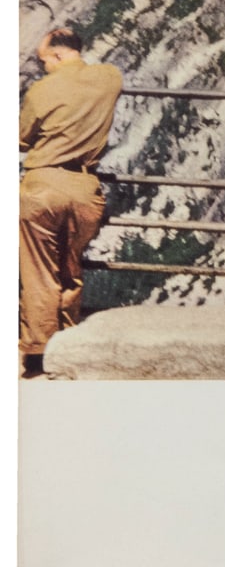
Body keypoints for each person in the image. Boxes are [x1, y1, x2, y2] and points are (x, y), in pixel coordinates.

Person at [19, 25, 124, 375]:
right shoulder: (110, 78)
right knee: (70, 269)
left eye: (45, 59)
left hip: (42, 187)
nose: (43, 66)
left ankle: (38, 353)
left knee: (39, 274)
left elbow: (22, 138)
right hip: (84, 190)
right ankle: (67, 344)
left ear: (60, 55)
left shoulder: (41, 91)